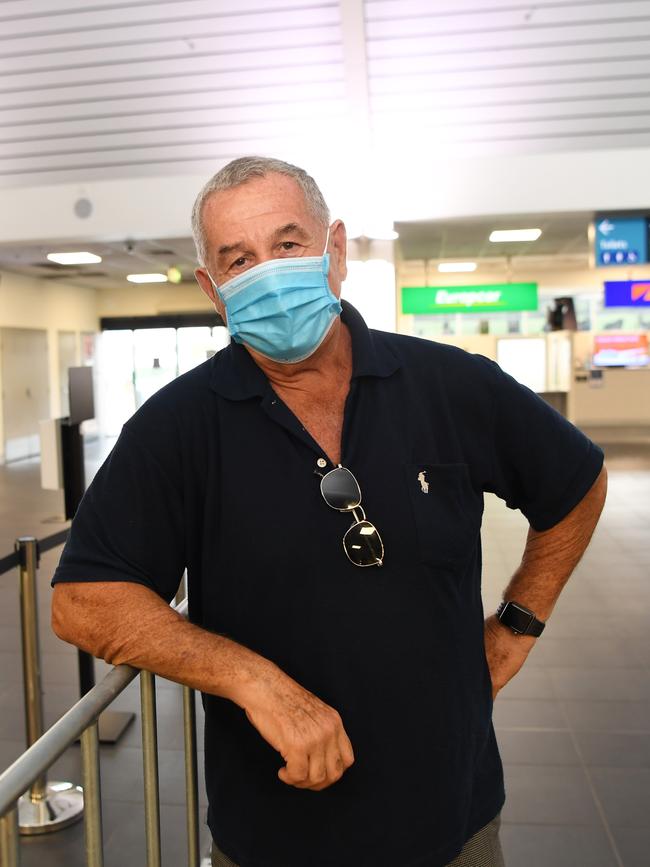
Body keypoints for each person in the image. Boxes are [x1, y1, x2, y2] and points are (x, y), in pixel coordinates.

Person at [52, 156, 607, 867]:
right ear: (212, 289)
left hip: (452, 820)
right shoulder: (177, 429)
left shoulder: (448, 385)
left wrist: (519, 624)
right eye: (239, 259)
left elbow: (577, 483)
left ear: (334, 250)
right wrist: (251, 678)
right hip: (274, 834)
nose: (269, 273)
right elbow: (82, 600)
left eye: (287, 245)